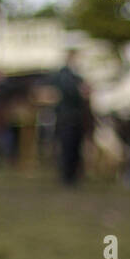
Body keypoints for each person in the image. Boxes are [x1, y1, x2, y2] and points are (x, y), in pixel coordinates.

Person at [53, 49, 88, 185]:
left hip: (76, 117)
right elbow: (68, 92)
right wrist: (80, 92)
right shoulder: (64, 75)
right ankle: (67, 177)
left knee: (75, 147)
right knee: (67, 147)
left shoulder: (77, 75)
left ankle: (73, 175)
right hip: (66, 117)